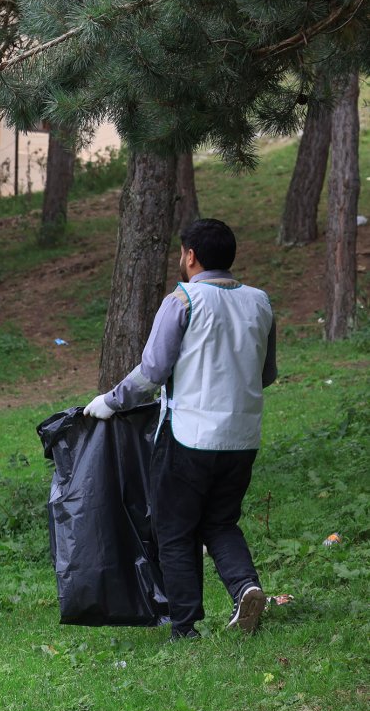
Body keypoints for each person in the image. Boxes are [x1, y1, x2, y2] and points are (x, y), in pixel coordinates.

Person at [83, 217, 276, 640]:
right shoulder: (260, 302)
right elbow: (266, 374)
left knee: (174, 529)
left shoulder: (183, 300)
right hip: (242, 439)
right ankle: (246, 587)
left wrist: (111, 402)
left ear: (190, 256)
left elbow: (152, 371)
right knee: (221, 522)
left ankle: (185, 627)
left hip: (189, 436)